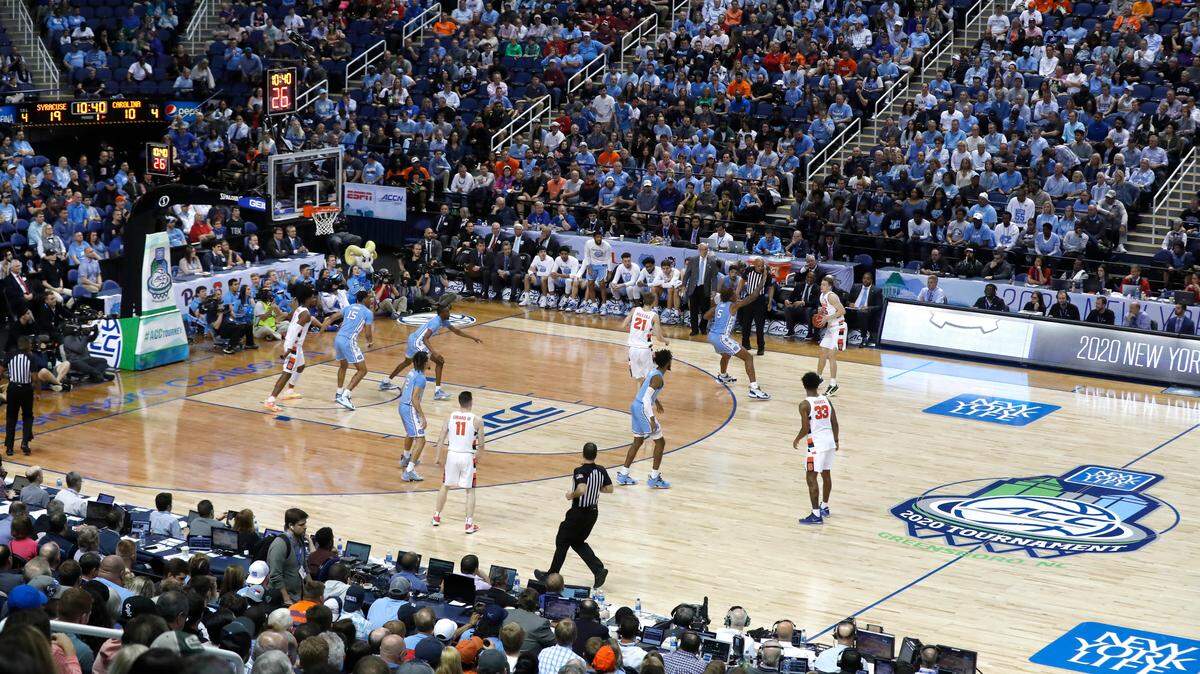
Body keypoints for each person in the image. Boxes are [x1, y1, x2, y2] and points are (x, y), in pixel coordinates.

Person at [534, 442, 611, 588]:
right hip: (593, 513)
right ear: (596, 455)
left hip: (578, 513)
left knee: (562, 540)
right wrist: (595, 489)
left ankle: (551, 575)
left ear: (583, 454)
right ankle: (598, 570)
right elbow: (610, 489)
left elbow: (581, 489)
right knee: (577, 542)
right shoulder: (601, 470)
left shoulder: (579, 470)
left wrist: (571, 495)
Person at [381, 294, 481, 401]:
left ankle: (385, 382)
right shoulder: (435, 322)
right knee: (439, 361)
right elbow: (425, 338)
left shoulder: (444, 320)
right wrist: (434, 352)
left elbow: (457, 331)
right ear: (442, 313)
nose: (449, 313)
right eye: (447, 311)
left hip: (412, 339)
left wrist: (473, 338)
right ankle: (436, 391)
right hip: (418, 342)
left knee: (406, 362)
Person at [615, 350, 672, 488]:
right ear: (668, 362)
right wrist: (652, 418)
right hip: (642, 408)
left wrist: (656, 401)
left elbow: (645, 388)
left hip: (635, 405)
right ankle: (654, 478)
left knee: (638, 441)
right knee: (660, 442)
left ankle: (623, 475)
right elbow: (646, 398)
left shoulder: (654, 371)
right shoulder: (658, 378)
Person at [431, 390, 486, 533]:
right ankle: (468, 524)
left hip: (452, 455)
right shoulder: (477, 420)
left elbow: (441, 438)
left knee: (445, 485)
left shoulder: (450, 417)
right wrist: (478, 459)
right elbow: (481, 445)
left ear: (459, 402)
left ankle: (436, 516)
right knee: (470, 491)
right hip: (467, 456)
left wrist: (437, 457)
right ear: (471, 402)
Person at [704, 286, 770, 400]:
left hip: (712, 336)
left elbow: (706, 316)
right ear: (730, 297)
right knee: (748, 357)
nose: (737, 294)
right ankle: (754, 389)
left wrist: (714, 306)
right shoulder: (734, 305)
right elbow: (752, 297)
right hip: (721, 338)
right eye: (735, 293)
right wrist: (762, 284)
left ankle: (723, 376)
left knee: (726, 354)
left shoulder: (718, 305)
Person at [264, 285, 320, 412]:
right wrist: (288, 349)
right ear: (306, 299)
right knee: (286, 373)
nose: (314, 300)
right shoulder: (305, 313)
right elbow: (295, 331)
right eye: (312, 298)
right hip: (293, 346)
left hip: (296, 345)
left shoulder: (300, 309)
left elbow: (290, 319)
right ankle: (271, 400)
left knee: (301, 366)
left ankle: (289, 391)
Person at [795, 372, 839, 525]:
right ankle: (825, 507)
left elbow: (805, 428)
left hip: (816, 445)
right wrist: (836, 440)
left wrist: (797, 439)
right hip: (829, 442)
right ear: (818, 384)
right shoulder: (826, 400)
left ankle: (816, 515)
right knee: (826, 474)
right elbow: (835, 422)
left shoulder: (804, 404)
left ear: (804, 385)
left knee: (811, 477)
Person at [327, 290, 376, 410]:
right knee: (362, 370)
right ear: (364, 299)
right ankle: (346, 394)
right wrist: (370, 342)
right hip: (348, 341)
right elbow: (368, 333)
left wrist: (322, 328)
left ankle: (339, 392)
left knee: (343, 365)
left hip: (338, 338)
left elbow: (333, 317)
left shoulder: (349, 307)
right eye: (369, 298)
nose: (371, 300)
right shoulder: (368, 312)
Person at [398, 351, 431, 482]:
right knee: (421, 440)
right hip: (410, 407)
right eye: (428, 359)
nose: (430, 361)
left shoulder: (411, 372)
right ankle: (409, 471)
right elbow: (415, 398)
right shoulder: (421, 378)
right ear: (424, 363)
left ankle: (406, 458)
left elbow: (404, 388)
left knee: (410, 433)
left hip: (402, 405)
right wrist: (422, 416)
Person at [621, 293, 665, 383]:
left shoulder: (634, 310)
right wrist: (666, 341)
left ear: (643, 301)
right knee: (648, 379)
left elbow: (623, 325)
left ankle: (639, 396)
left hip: (632, 349)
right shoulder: (654, 316)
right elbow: (659, 337)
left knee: (638, 379)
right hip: (645, 350)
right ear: (653, 303)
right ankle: (645, 396)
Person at [4, 336, 35, 456]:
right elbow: (35, 377)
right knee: (27, 416)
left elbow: (1, 370)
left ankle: (9, 448)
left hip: (12, 389)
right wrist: (38, 392)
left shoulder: (10, 355)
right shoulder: (31, 357)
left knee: (11, 418)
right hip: (26, 389)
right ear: (27, 345)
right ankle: (25, 443)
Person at [816, 276, 846, 396]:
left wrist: (827, 318)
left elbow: (842, 311)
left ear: (829, 286)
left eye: (824, 285)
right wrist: (821, 312)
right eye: (821, 284)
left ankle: (833, 385)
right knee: (823, 352)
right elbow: (828, 310)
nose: (821, 287)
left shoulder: (831, 296)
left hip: (839, 327)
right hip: (830, 328)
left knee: (831, 355)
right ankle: (818, 377)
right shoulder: (822, 296)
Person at [682, 244, 719, 335]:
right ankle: (694, 330)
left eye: (706, 249)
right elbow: (687, 274)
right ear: (699, 250)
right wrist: (683, 285)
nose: (705, 251)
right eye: (702, 249)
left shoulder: (712, 261)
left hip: (705, 288)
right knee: (693, 309)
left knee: (705, 309)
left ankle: (703, 327)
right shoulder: (693, 260)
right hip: (693, 288)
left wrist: (714, 290)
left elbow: (714, 277)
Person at [845, 272, 883, 346]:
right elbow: (847, 300)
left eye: (867, 279)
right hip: (854, 309)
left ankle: (864, 338)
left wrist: (868, 307)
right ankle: (844, 337)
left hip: (867, 312)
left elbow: (879, 306)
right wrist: (850, 304)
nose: (865, 280)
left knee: (861, 313)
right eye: (864, 278)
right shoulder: (855, 287)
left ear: (871, 280)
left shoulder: (876, 290)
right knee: (844, 312)